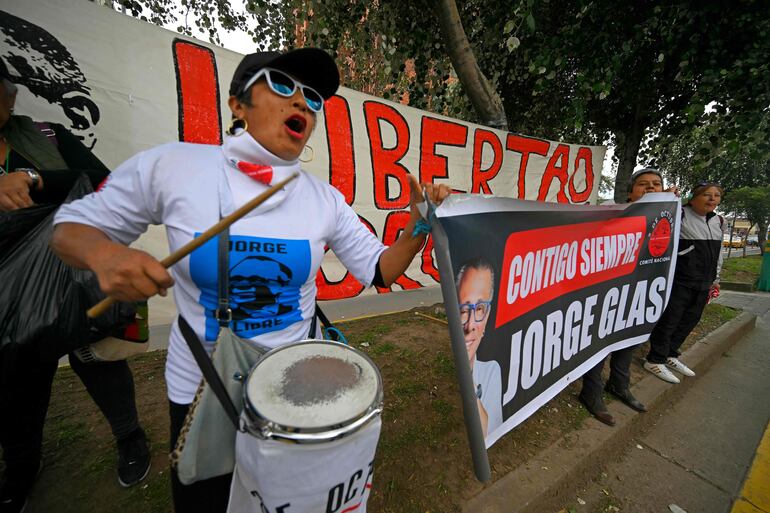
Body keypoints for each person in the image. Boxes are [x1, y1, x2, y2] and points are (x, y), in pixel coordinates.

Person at [50, 47, 451, 512]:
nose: (301, 102)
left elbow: (381, 269)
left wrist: (418, 225)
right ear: (237, 104)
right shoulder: (173, 167)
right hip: (203, 388)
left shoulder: (324, 200)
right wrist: (105, 255)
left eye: (313, 99)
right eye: (282, 85)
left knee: (284, 501)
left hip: (294, 393)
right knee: (206, 502)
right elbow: (70, 229)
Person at [0, 71, 150, 513]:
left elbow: (101, 179)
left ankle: (130, 436)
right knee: (14, 380)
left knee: (96, 357)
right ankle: (21, 470)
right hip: (7, 291)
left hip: (66, 275)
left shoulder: (45, 135)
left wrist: (32, 178)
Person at [579, 168, 678, 426]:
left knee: (631, 337)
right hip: (609, 292)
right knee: (601, 342)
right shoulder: (614, 212)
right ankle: (591, 393)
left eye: (656, 184)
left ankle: (619, 385)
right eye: (643, 184)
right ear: (630, 192)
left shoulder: (669, 215)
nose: (650, 188)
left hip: (641, 292)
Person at [644, 181, 724, 383]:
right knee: (670, 320)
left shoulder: (718, 222)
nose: (712, 199)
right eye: (707, 194)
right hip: (680, 279)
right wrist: (668, 197)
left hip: (704, 282)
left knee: (690, 319)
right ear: (693, 197)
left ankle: (670, 354)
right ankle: (655, 359)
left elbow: (719, 253)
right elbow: (653, 217)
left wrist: (716, 279)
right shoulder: (679, 214)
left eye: (716, 195)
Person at [456, 258, 503, 438]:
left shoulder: (491, 372)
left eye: (480, 309)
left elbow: (486, 437)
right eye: (463, 310)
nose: (470, 325)